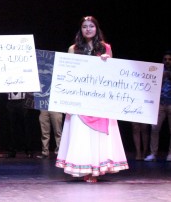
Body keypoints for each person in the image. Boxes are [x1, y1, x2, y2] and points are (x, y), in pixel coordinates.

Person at [55, 16, 129, 183]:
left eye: (91, 26)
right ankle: (85, 169)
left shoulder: (105, 48)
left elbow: (113, 75)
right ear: (80, 30)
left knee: (97, 135)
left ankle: (95, 170)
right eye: (84, 27)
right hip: (80, 99)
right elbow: (68, 74)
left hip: (99, 100)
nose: (88, 29)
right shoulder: (73, 49)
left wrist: (107, 61)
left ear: (96, 29)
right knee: (81, 134)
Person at [144, 51, 171, 162]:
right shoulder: (157, 72)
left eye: (170, 59)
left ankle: (170, 154)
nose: (167, 61)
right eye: (165, 59)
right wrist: (162, 77)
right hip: (160, 103)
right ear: (162, 61)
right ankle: (153, 153)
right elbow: (151, 85)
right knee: (154, 129)